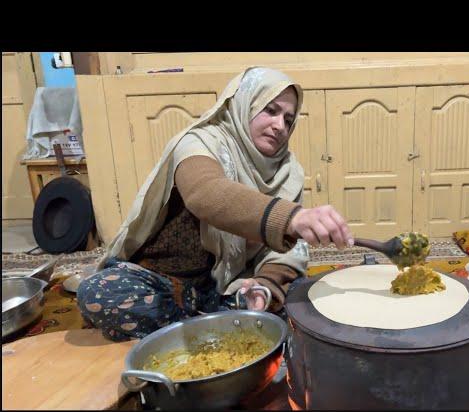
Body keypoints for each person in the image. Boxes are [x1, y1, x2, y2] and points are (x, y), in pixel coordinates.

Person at [77, 67, 353, 341]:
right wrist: (291, 218)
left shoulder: (288, 171)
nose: (280, 125)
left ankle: (210, 324)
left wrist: (263, 287)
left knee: (302, 300)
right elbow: (205, 193)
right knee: (99, 292)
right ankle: (220, 327)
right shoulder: (199, 142)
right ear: (245, 103)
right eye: (270, 110)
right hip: (159, 281)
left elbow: (287, 253)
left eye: (289, 119)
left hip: (222, 287)